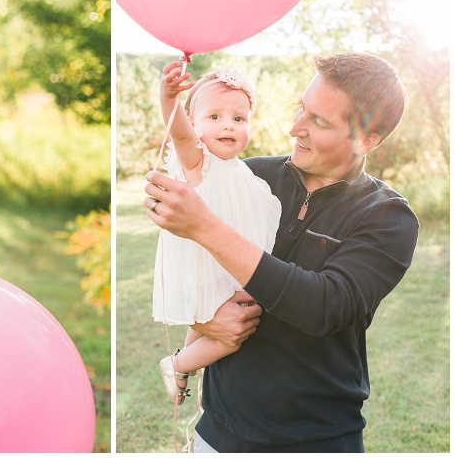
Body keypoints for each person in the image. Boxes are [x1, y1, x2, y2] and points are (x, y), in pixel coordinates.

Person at [144, 52, 418, 452]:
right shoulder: (252, 175)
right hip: (217, 431)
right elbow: (200, 264)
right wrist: (206, 322)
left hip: (314, 438)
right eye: (301, 110)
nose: (295, 129)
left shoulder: (388, 217)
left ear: (367, 139)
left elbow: (323, 305)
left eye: (318, 121)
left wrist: (205, 226)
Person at [150, 64, 281, 406]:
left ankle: (184, 363)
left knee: (215, 318)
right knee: (231, 334)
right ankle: (178, 364)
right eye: (215, 117)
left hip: (227, 266)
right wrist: (169, 98)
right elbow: (178, 133)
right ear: (195, 125)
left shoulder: (243, 171)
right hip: (206, 266)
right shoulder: (198, 161)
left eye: (239, 119)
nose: (228, 125)